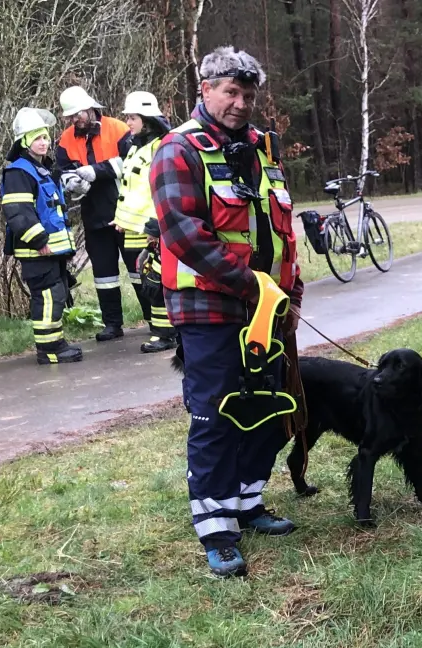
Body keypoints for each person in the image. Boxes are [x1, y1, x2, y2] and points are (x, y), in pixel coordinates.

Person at [151, 46, 303, 578]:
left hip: (268, 307)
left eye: (248, 94)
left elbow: (278, 226)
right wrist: (248, 286)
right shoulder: (177, 150)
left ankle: (247, 503)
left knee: (267, 404)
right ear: (206, 90)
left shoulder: (263, 149)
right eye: (230, 92)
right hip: (209, 306)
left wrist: (289, 289)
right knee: (214, 413)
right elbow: (183, 234)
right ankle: (216, 527)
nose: (240, 103)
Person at [0, 108, 84, 365]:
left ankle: (56, 342)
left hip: (51, 250)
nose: (44, 142)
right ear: (25, 141)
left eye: (46, 137)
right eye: (37, 138)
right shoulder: (19, 172)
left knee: (57, 295)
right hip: (37, 250)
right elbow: (18, 213)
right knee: (48, 297)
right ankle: (49, 350)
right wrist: (39, 241)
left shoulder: (41, 169)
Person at [57, 86, 132, 342]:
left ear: (90, 108)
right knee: (103, 275)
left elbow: (132, 162)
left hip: (125, 212)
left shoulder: (118, 128)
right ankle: (112, 324)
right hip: (94, 215)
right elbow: (64, 169)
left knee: (138, 270)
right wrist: (72, 182)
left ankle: (157, 321)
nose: (75, 120)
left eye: (78, 114)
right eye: (71, 116)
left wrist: (97, 171)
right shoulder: (66, 139)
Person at [113, 90, 176, 353]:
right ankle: (160, 329)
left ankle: (165, 334)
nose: (127, 122)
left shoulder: (158, 147)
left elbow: (159, 191)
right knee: (146, 280)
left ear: (147, 120)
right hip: (135, 229)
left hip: (152, 228)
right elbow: (131, 190)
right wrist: (120, 220)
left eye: (132, 118)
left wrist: (155, 227)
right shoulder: (135, 148)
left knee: (156, 278)